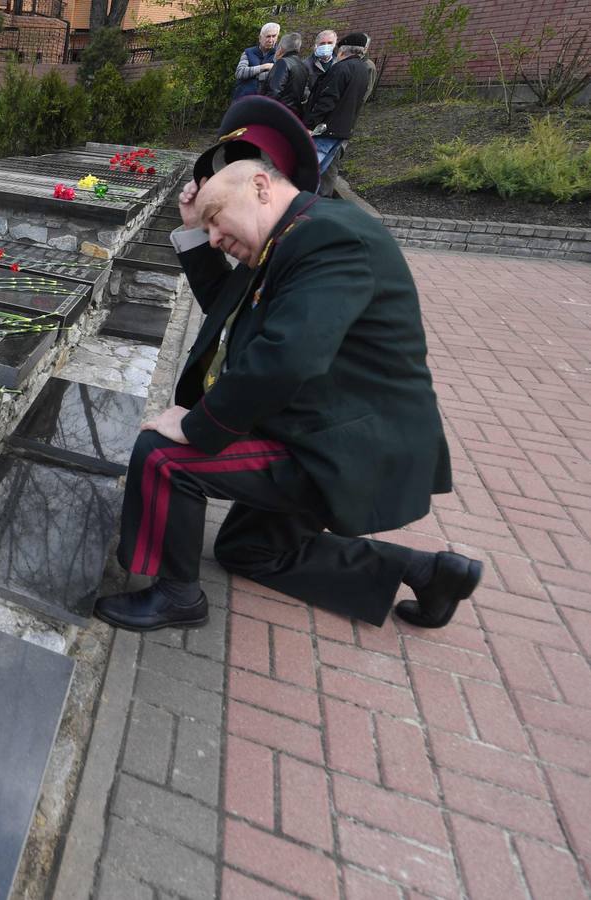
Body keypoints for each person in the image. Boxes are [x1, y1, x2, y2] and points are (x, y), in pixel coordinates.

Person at [92, 96, 481, 633]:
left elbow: (285, 356)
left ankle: (177, 596)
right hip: (321, 426)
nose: (214, 238)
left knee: (165, 455)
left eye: (215, 220)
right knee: (246, 550)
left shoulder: (329, 237)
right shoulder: (292, 237)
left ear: (259, 187)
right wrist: (191, 226)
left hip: (341, 446)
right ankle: (427, 571)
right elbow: (232, 316)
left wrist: (196, 425)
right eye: (206, 228)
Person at [305, 32, 372, 196]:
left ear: (342, 50)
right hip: (342, 130)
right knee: (320, 171)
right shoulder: (363, 70)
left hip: (326, 130)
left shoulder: (341, 68)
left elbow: (328, 99)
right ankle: (310, 204)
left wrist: (310, 125)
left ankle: (301, 204)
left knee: (310, 171)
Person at [262, 32, 307, 120]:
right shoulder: (302, 65)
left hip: (278, 113)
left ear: (281, 48)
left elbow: (274, 91)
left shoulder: (283, 63)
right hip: (293, 114)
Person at [233, 23, 281, 100]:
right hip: (243, 99)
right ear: (260, 38)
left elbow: (279, 77)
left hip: (265, 101)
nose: (271, 40)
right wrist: (264, 67)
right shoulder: (248, 52)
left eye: (274, 36)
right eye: (268, 36)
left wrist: (252, 75)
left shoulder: (280, 55)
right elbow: (239, 73)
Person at [303, 29, 338, 98]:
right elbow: (303, 87)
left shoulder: (339, 63)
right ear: (316, 45)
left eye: (330, 43)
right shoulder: (306, 64)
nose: (326, 46)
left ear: (334, 44)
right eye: (322, 43)